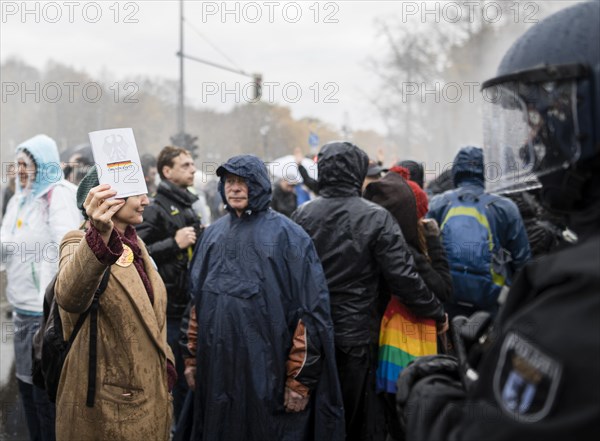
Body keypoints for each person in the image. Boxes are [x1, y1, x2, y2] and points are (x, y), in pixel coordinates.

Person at [397, 2, 600, 439]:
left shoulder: (580, 293)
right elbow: (519, 260)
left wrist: (429, 395)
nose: (529, 142)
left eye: (540, 120)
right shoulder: (504, 208)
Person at [291, 141, 447, 441]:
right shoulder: (376, 217)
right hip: (358, 334)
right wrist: (435, 311)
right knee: (357, 417)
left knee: (315, 412)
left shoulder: (302, 215)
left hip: (310, 334)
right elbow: (404, 277)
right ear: (358, 171)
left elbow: (291, 278)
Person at [185, 154, 344, 441]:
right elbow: (196, 303)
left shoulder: (289, 237)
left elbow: (310, 314)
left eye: (242, 182)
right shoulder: (212, 236)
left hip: (267, 378)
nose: (234, 188)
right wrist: (192, 359)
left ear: (258, 185)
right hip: (217, 373)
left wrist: (299, 381)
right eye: (229, 181)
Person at [53, 166, 175, 440]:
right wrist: (98, 235)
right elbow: (70, 297)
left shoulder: (136, 243)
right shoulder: (78, 241)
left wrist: (167, 362)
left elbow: (152, 317)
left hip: (150, 398)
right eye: (136, 193)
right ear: (109, 198)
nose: (146, 200)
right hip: (108, 410)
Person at [0, 134, 81, 441]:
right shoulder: (20, 199)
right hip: (21, 312)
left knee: (44, 396)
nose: (20, 170)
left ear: (42, 163)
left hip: (45, 316)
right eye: (17, 163)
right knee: (25, 389)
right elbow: (6, 247)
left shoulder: (57, 196)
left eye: (26, 164)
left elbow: (69, 248)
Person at [363, 168, 452, 440]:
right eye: (420, 215)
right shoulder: (405, 252)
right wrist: (435, 244)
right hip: (405, 348)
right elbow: (442, 288)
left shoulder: (371, 240)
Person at [136, 145, 202, 423]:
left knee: (190, 375)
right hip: (169, 310)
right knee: (177, 378)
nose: (193, 169)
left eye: (192, 164)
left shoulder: (187, 203)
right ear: (167, 171)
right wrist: (173, 244)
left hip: (187, 304)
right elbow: (136, 252)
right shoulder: (154, 207)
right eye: (185, 165)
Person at [427, 146, 531, 318]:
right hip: (490, 300)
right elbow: (523, 261)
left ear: (456, 170)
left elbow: (423, 248)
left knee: (449, 342)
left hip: (446, 298)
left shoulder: (439, 203)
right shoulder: (505, 207)